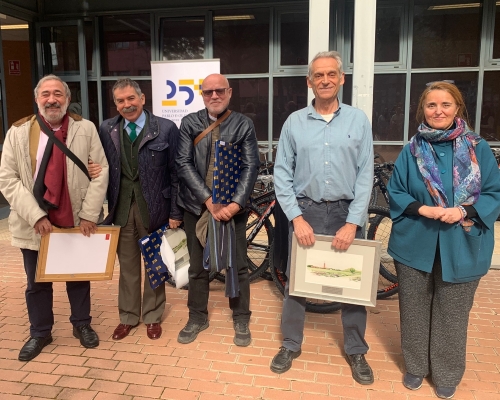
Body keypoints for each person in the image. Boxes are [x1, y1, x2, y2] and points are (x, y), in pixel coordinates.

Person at [387, 81, 500, 399]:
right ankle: (415, 366)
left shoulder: (478, 148)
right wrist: (424, 208)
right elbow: (396, 190)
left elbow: (495, 192)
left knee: (452, 313)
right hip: (414, 242)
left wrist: (466, 210)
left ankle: (447, 372)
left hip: (463, 243)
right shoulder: (411, 150)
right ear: (422, 110)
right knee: (413, 308)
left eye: (445, 105)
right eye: (431, 105)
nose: (438, 111)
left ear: (458, 109)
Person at [270, 51, 375, 385]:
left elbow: (365, 173)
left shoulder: (358, 120)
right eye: (319, 75)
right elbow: (281, 173)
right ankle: (290, 344)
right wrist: (297, 218)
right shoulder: (294, 123)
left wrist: (353, 221)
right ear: (309, 81)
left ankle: (356, 349)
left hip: (346, 211)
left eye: (332, 74)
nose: (326, 80)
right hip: (307, 210)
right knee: (298, 283)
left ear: (342, 78)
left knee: (351, 285)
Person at [0, 74, 109, 361]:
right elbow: (7, 179)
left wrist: (88, 214)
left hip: (75, 219)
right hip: (34, 222)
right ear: (37, 99)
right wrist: (35, 215)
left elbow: (101, 172)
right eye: (46, 94)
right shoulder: (18, 132)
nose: (52, 99)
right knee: (37, 282)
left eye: (58, 93)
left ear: (67, 99)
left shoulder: (85, 129)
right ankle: (40, 332)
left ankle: (82, 325)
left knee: (77, 277)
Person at [175, 73, 259, 346]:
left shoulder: (243, 124)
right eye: (208, 92)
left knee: (238, 265)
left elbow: (250, 166)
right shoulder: (190, 123)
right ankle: (197, 316)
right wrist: (208, 201)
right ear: (202, 94)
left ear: (229, 92)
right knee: (197, 268)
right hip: (197, 207)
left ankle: (241, 315)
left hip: (232, 210)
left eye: (219, 91)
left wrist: (235, 204)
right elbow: (183, 163)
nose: (214, 96)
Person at [98, 78, 182, 341]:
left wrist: (175, 213)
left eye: (131, 98)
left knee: (155, 266)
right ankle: (128, 317)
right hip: (121, 210)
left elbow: (176, 173)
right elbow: (102, 165)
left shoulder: (166, 128)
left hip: (155, 209)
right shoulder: (107, 129)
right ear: (115, 104)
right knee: (129, 268)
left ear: (142, 99)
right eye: (120, 101)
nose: (126, 105)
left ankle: (153, 316)